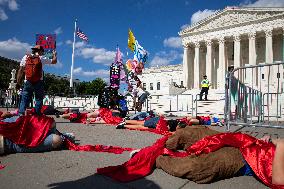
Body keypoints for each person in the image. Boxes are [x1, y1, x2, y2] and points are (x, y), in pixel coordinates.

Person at [0, 116, 74, 155]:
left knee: (51, 122)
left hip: (7, 125)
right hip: (8, 144)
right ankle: (62, 137)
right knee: (56, 140)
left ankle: (58, 135)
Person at [17, 45, 57, 116]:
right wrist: (54, 54)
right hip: (38, 81)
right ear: (40, 51)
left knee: (25, 98)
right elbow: (54, 61)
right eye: (42, 51)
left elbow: (20, 70)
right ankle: (37, 115)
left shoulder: (26, 57)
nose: (43, 53)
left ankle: (21, 114)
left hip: (28, 81)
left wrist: (18, 82)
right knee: (38, 98)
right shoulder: (41, 58)